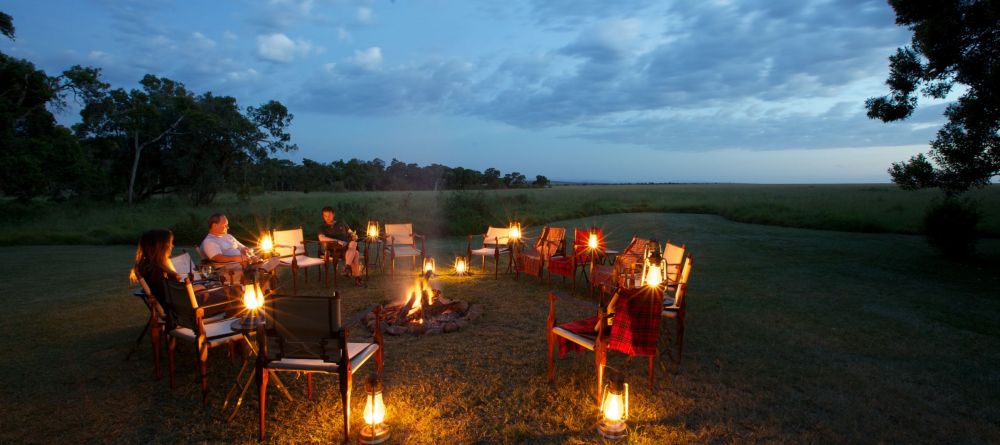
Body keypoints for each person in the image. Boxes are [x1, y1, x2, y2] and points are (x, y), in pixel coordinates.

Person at [130, 229, 229, 310]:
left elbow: (171, 293)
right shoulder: (159, 272)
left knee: (222, 290)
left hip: (179, 307)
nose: (172, 246)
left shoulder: (148, 267)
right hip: (187, 309)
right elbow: (178, 295)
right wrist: (197, 287)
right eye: (170, 243)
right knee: (233, 291)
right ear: (161, 247)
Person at [201, 213, 278, 284]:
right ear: (214, 225)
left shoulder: (228, 236)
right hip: (231, 269)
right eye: (225, 225)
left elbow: (243, 248)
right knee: (265, 265)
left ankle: (260, 271)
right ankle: (260, 273)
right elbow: (218, 258)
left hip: (245, 262)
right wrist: (237, 258)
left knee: (274, 258)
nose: (227, 227)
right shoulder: (209, 241)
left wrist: (250, 254)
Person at [317, 206, 363, 286]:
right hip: (335, 250)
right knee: (356, 253)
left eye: (329, 215)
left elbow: (351, 232)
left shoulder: (341, 222)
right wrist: (337, 241)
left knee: (353, 243)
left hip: (347, 248)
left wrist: (354, 235)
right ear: (323, 216)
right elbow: (321, 238)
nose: (327, 218)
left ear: (333, 214)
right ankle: (357, 278)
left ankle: (347, 268)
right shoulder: (322, 227)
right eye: (325, 216)